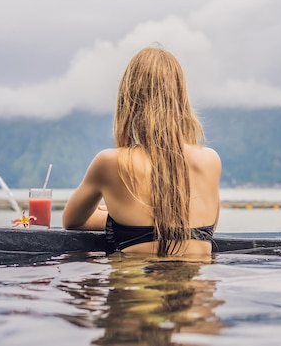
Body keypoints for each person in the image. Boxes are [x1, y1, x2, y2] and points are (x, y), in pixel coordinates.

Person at [62, 45, 221, 256]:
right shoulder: (210, 161)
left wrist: (113, 218)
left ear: (128, 100)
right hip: (194, 284)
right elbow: (201, 225)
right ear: (181, 99)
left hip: (138, 281)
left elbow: (72, 221)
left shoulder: (111, 162)